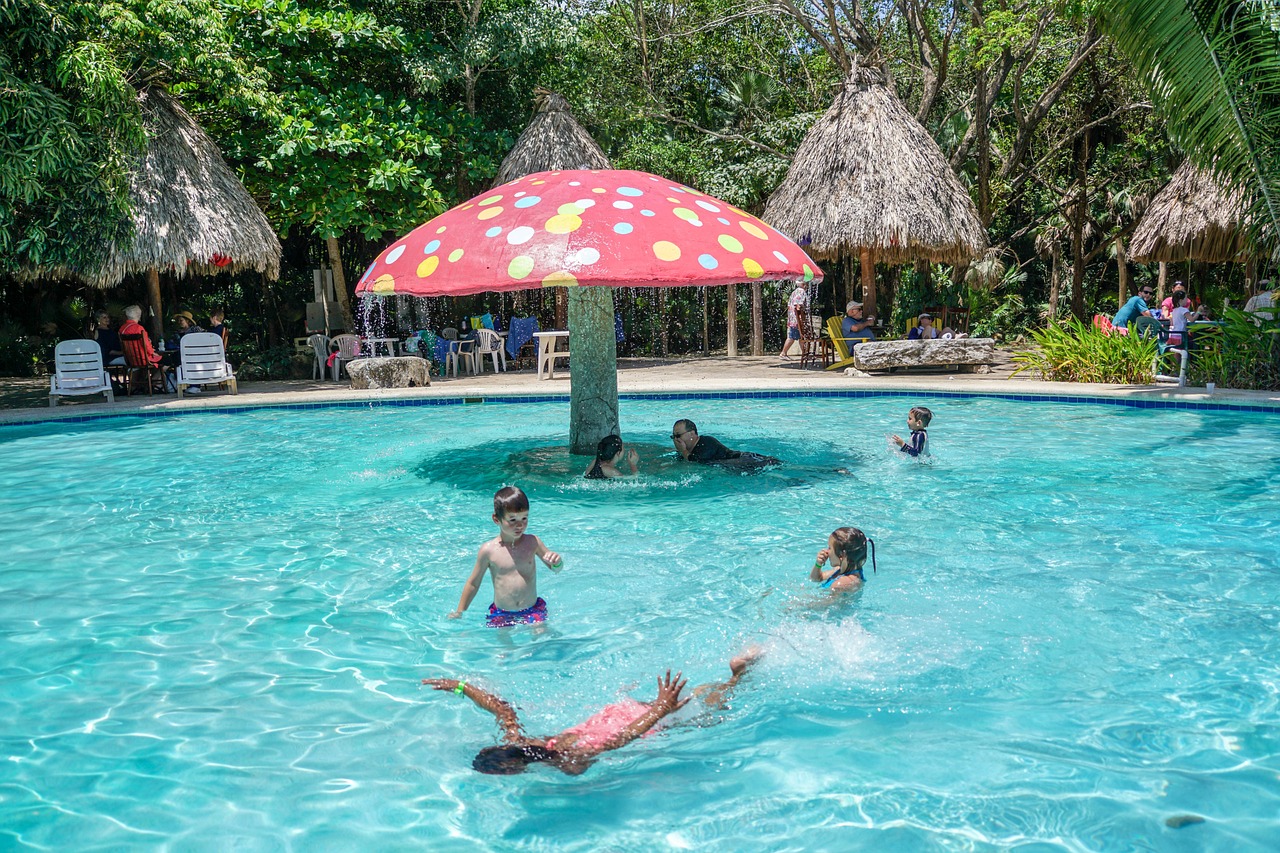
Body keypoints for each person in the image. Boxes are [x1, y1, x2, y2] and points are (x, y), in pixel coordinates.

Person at [423, 650, 761, 775]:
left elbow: (621, 740)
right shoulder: (523, 739)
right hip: (618, 711)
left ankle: (736, 677)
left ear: (516, 770)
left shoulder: (569, 761)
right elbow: (502, 708)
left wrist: (659, 710)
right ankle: (730, 675)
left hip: (645, 723)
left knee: (708, 713)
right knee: (698, 699)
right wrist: (461, 687)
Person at [449, 486, 563, 626]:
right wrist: (459, 611)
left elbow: (556, 569)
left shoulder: (533, 542)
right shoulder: (488, 550)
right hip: (502, 612)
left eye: (524, 518)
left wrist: (557, 561)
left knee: (540, 633)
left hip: (532, 609)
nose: (520, 525)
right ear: (496, 519)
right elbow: (473, 583)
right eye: (512, 520)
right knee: (505, 644)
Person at [671, 419, 780, 469]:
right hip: (737, 464)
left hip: (747, 461)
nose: (676, 440)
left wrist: (683, 451)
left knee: (776, 469)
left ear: (692, 434)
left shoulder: (706, 443)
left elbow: (698, 463)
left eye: (678, 436)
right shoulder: (688, 451)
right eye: (673, 437)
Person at [810, 527, 876, 592]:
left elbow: (827, 602)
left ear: (842, 555)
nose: (827, 551)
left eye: (830, 548)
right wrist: (818, 564)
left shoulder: (842, 584)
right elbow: (816, 579)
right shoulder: (840, 570)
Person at [778, 283, 809, 361]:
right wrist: (801, 318)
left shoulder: (794, 292)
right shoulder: (801, 291)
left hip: (793, 318)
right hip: (797, 320)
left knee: (801, 337)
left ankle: (805, 354)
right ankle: (783, 353)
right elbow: (798, 306)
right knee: (793, 337)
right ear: (804, 284)